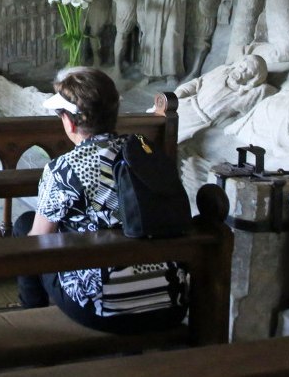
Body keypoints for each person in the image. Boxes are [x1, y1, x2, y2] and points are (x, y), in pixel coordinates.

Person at [15, 67, 188, 333]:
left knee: (26, 227)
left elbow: (38, 238)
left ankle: (31, 322)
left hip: (104, 309)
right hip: (170, 301)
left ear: (70, 122)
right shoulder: (144, 148)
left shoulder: (64, 168)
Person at [173, 55, 276, 142]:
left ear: (253, 78)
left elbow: (269, 92)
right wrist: (182, 91)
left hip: (199, 123)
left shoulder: (248, 95)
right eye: (241, 66)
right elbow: (197, 82)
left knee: (168, 137)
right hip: (185, 104)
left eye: (247, 71)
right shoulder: (222, 70)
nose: (241, 70)